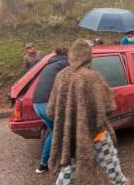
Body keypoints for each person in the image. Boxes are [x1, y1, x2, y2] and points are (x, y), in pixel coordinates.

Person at [47, 40, 127, 184]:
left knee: (68, 169)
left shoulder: (61, 76)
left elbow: (51, 111)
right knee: (112, 166)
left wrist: (70, 120)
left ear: (71, 56)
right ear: (89, 57)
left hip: (70, 136)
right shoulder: (93, 77)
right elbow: (109, 107)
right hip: (97, 134)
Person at [32, 47, 69, 174]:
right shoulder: (65, 63)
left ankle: (42, 165)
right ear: (67, 55)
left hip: (37, 104)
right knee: (65, 131)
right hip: (47, 105)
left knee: (53, 132)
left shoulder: (51, 63)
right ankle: (65, 164)